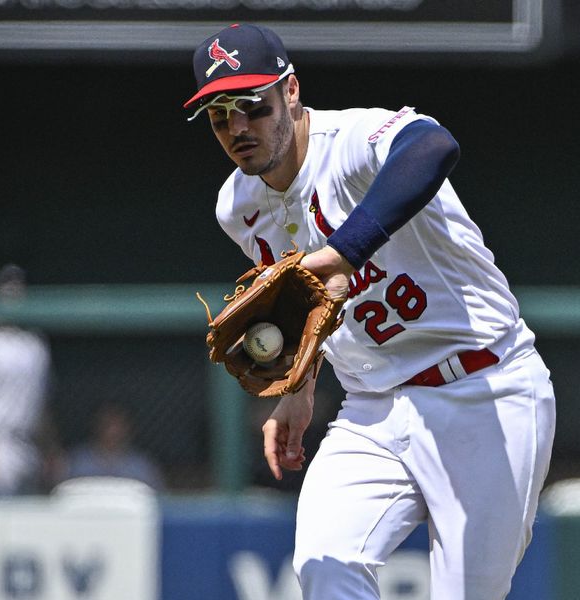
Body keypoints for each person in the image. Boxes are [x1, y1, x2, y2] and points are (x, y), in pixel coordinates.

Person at [184, 23, 556, 599]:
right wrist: (299, 387)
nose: (238, 128)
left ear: (291, 91)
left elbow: (433, 146)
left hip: (486, 389)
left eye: (251, 106)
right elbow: (304, 305)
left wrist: (343, 252)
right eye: (218, 115)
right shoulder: (237, 206)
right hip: (373, 407)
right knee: (323, 562)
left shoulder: (350, 141)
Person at [0, 264, 52, 495]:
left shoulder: (35, 346)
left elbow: (41, 406)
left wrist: (51, 450)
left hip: (24, 445)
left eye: (18, 290)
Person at [63, 402, 164, 491]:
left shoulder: (142, 466)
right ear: (96, 425)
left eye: (117, 424)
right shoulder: (76, 461)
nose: (112, 430)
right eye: (107, 424)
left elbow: (158, 499)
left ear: (128, 428)